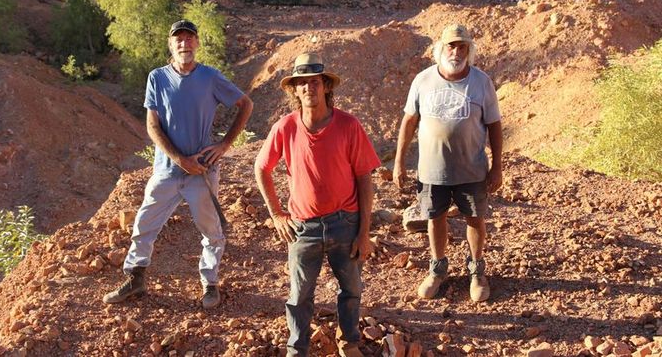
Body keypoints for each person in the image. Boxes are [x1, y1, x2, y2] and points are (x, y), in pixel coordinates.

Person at [102, 19, 253, 309]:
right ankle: (135, 280)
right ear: (171, 45)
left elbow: (246, 104)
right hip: (167, 170)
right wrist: (178, 159)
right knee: (144, 224)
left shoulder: (210, 77)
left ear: (197, 43)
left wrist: (224, 145)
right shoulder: (157, 78)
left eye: (189, 39)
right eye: (178, 40)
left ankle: (210, 283)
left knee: (211, 231)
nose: (184, 44)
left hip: (202, 172)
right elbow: (152, 125)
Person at [254, 53, 380, 357]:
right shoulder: (285, 127)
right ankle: (297, 348)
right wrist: (276, 214)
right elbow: (261, 168)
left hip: (345, 222)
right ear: (295, 90)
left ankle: (348, 341)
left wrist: (364, 233)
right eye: (302, 83)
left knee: (351, 289)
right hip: (302, 226)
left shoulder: (349, 125)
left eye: (314, 81)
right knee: (299, 295)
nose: (309, 87)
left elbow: (364, 179)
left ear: (325, 86)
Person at [393, 24, 503, 302]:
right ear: (440, 49)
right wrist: (399, 162)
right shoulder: (422, 80)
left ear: (469, 50)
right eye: (451, 46)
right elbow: (409, 121)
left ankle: (477, 271)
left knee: (475, 219)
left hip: (472, 168)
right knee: (434, 218)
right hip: (432, 169)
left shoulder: (481, 82)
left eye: (462, 46)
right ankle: (437, 268)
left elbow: (494, 125)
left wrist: (498, 165)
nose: (456, 51)